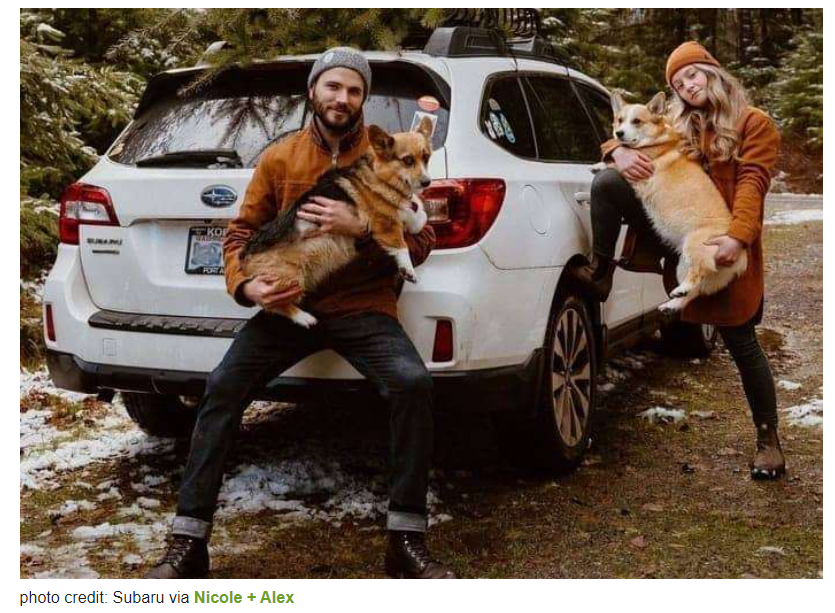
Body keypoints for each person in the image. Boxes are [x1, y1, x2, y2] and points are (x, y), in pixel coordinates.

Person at [146, 47, 456, 579]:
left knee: (412, 385)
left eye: (354, 90)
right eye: (333, 87)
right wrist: (246, 287)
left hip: (363, 305)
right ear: (314, 91)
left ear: (363, 99)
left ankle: (406, 539)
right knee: (221, 386)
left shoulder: (396, 153)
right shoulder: (281, 157)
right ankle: (187, 544)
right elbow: (241, 235)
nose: (343, 98)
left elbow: (423, 238)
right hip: (292, 301)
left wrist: (360, 229)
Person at [569, 41, 784, 479]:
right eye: (678, 82)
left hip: (722, 237)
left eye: (692, 75)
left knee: (741, 341)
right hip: (674, 231)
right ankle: (602, 272)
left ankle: (768, 440)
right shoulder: (681, 124)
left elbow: (752, 186)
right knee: (609, 184)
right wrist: (616, 150)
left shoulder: (752, 123)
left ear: (712, 72)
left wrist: (738, 238)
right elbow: (634, 130)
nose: (687, 86)